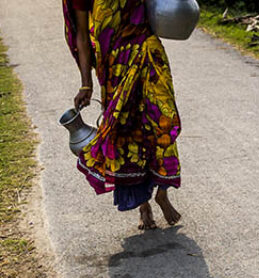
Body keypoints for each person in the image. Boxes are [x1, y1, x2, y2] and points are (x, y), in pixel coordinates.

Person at [63, 0, 183, 230]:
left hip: (148, 52)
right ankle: (143, 204)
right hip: (114, 65)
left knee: (162, 121)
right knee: (127, 132)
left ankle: (163, 192)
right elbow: (82, 34)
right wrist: (86, 84)